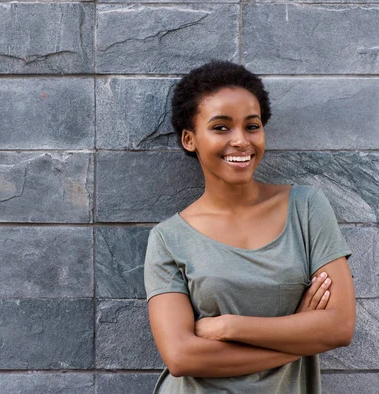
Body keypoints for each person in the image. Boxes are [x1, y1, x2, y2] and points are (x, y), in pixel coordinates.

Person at [143, 60, 356, 393]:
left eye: (252, 126)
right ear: (189, 139)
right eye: (221, 127)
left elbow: (339, 327)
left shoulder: (306, 208)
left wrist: (228, 326)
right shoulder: (169, 239)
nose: (241, 140)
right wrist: (299, 333)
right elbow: (182, 356)